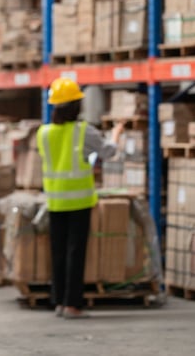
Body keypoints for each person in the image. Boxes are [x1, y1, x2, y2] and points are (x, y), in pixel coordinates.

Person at [36, 77, 123, 320]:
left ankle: (59, 302)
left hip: (54, 201)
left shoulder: (43, 133)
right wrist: (116, 134)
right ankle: (73, 304)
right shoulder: (84, 131)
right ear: (76, 106)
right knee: (76, 253)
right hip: (79, 202)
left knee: (59, 253)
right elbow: (108, 152)